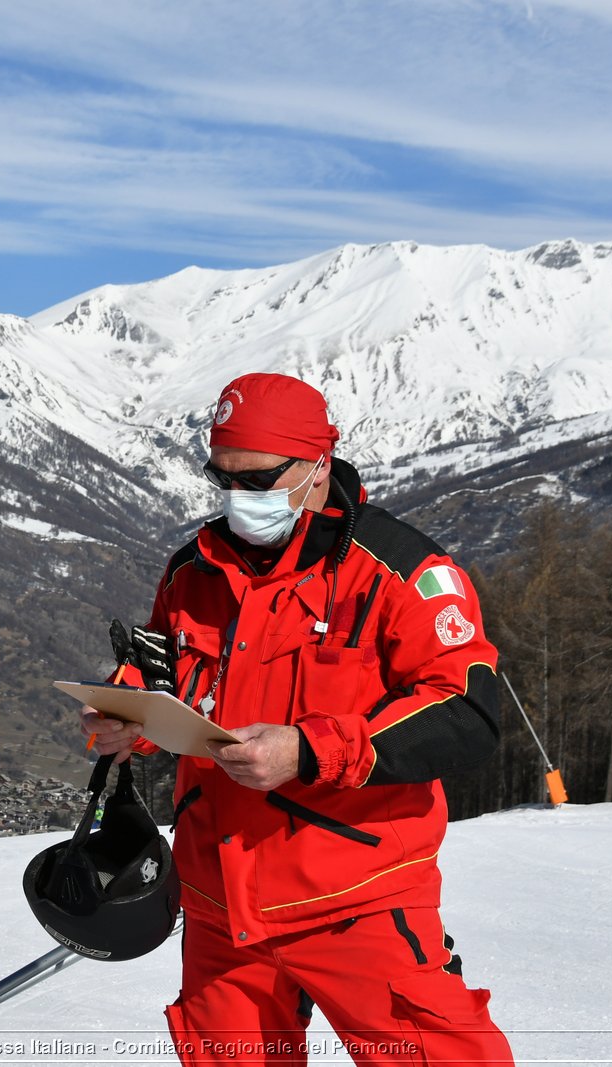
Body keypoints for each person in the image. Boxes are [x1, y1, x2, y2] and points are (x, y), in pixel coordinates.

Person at [82, 373, 513, 1066]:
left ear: (318, 463)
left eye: (255, 480)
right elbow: (163, 665)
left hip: (356, 898)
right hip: (220, 909)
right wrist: (126, 710)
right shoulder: (193, 568)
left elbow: (466, 711)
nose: (235, 499)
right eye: (220, 479)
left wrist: (309, 750)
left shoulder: (403, 573)